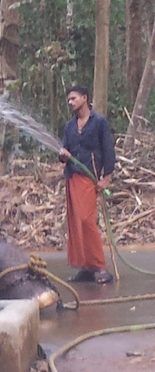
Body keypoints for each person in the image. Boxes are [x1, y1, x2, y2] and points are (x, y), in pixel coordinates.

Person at [58, 84, 116, 284]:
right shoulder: (69, 126)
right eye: (69, 99)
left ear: (85, 98)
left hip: (89, 177)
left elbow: (108, 150)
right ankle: (85, 267)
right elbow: (64, 151)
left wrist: (105, 178)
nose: (70, 102)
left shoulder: (99, 122)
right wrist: (63, 155)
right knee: (75, 224)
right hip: (72, 177)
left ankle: (100, 266)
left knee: (86, 221)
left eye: (73, 98)